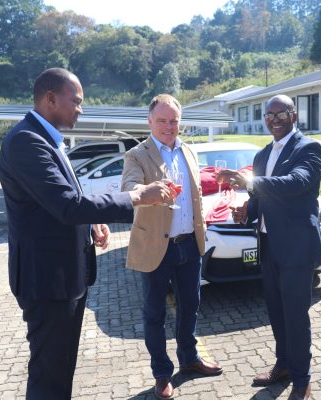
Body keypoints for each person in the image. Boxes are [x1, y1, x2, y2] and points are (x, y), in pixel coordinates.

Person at [0, 68, 170, 399]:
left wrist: (90, 223)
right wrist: (137, 196)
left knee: (61, 370)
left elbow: (57, 202)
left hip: (63, 278)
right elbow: (66, 205)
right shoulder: (26, 142)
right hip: (47, 282)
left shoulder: (47, 140)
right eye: (75, 101)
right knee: (49, 378)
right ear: (50, 99)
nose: (81, 109)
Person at [217, 95, 321, 400]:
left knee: (296, 315)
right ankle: (284, 365)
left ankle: (302, 379)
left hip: (296, 247)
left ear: (294, 115)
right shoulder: (263, 154)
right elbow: (261, 198)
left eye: (281, 114)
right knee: (276, 311)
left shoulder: (309, 148)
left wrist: (250, 183)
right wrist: (247, 211)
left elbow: (296, 183)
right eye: (269, 115)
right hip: (268, 244)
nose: (274, 120)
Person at [121, 94, 222, 400]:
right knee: (154, 314)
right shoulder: (137, 155)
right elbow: (129, 187)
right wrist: (147, 190)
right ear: (150, 122)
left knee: (190, 306)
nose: (168, 126)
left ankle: (189, 359)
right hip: (156, 246)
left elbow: (195, 194)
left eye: (174, 121)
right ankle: (162, 374)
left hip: (188, 243)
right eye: (162, 120)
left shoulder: (188, 150)